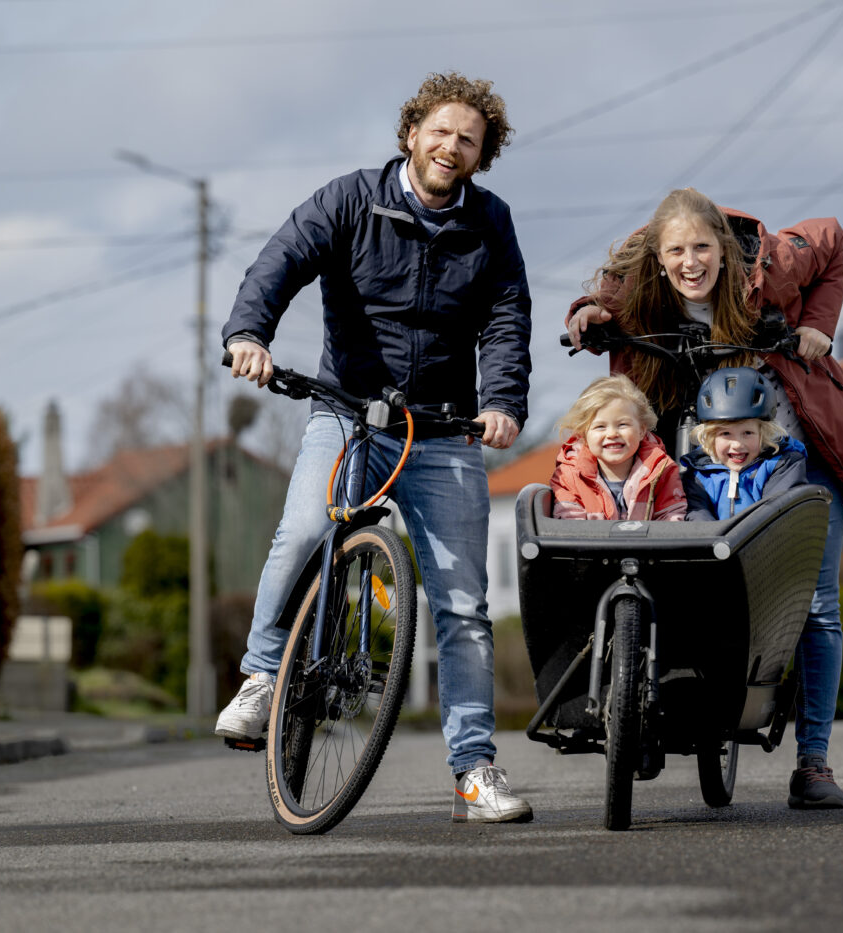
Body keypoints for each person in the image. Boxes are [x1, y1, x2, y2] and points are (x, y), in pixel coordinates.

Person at [215, 72, 534, 824]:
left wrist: (502, 402)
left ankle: (474, 771)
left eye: (469, 140)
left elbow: (508, 315)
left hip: (444, 429)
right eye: (441, 130)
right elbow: (281, 260)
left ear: (480, 157)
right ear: (412, 129)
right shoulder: (351, 199)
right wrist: (247, 334)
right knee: (302, 531)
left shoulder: (490, 222)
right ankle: (263, 676)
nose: (450, 147)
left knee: (463, 607)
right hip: (348, 413)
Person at [565, 188, 843, 810]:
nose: (690, 262)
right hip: (700, 444)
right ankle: (642, 711)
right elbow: (600, 304)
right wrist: (587, 311)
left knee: (817, 603)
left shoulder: (773, 264)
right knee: (670, 570)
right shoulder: (640, 279)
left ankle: (813, 763)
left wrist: (816, 327)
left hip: (788, 442)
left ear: (725, 251)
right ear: (658, 256)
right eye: (676, 251)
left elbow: (830, 237)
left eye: (702, 247)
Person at [550, 374, 687, 521]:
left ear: (641, 430)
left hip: (648, 543)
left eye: (622, 425)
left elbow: (672, 517)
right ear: (584, 434)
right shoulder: (569, 475)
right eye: (600, 427)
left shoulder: (662, 470)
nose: (612, 434)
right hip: (591, 543)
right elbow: (569, 526)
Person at [680, 367, 807, 521]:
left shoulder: (781, 465)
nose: (737, 444)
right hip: (715, 543)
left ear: (764, 433)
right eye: (725, 434)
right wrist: (714, 540)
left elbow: (777, 513)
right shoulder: (699, 474)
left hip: (765, 542)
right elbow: (696, 512)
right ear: (711, 436)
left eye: (747, 433)